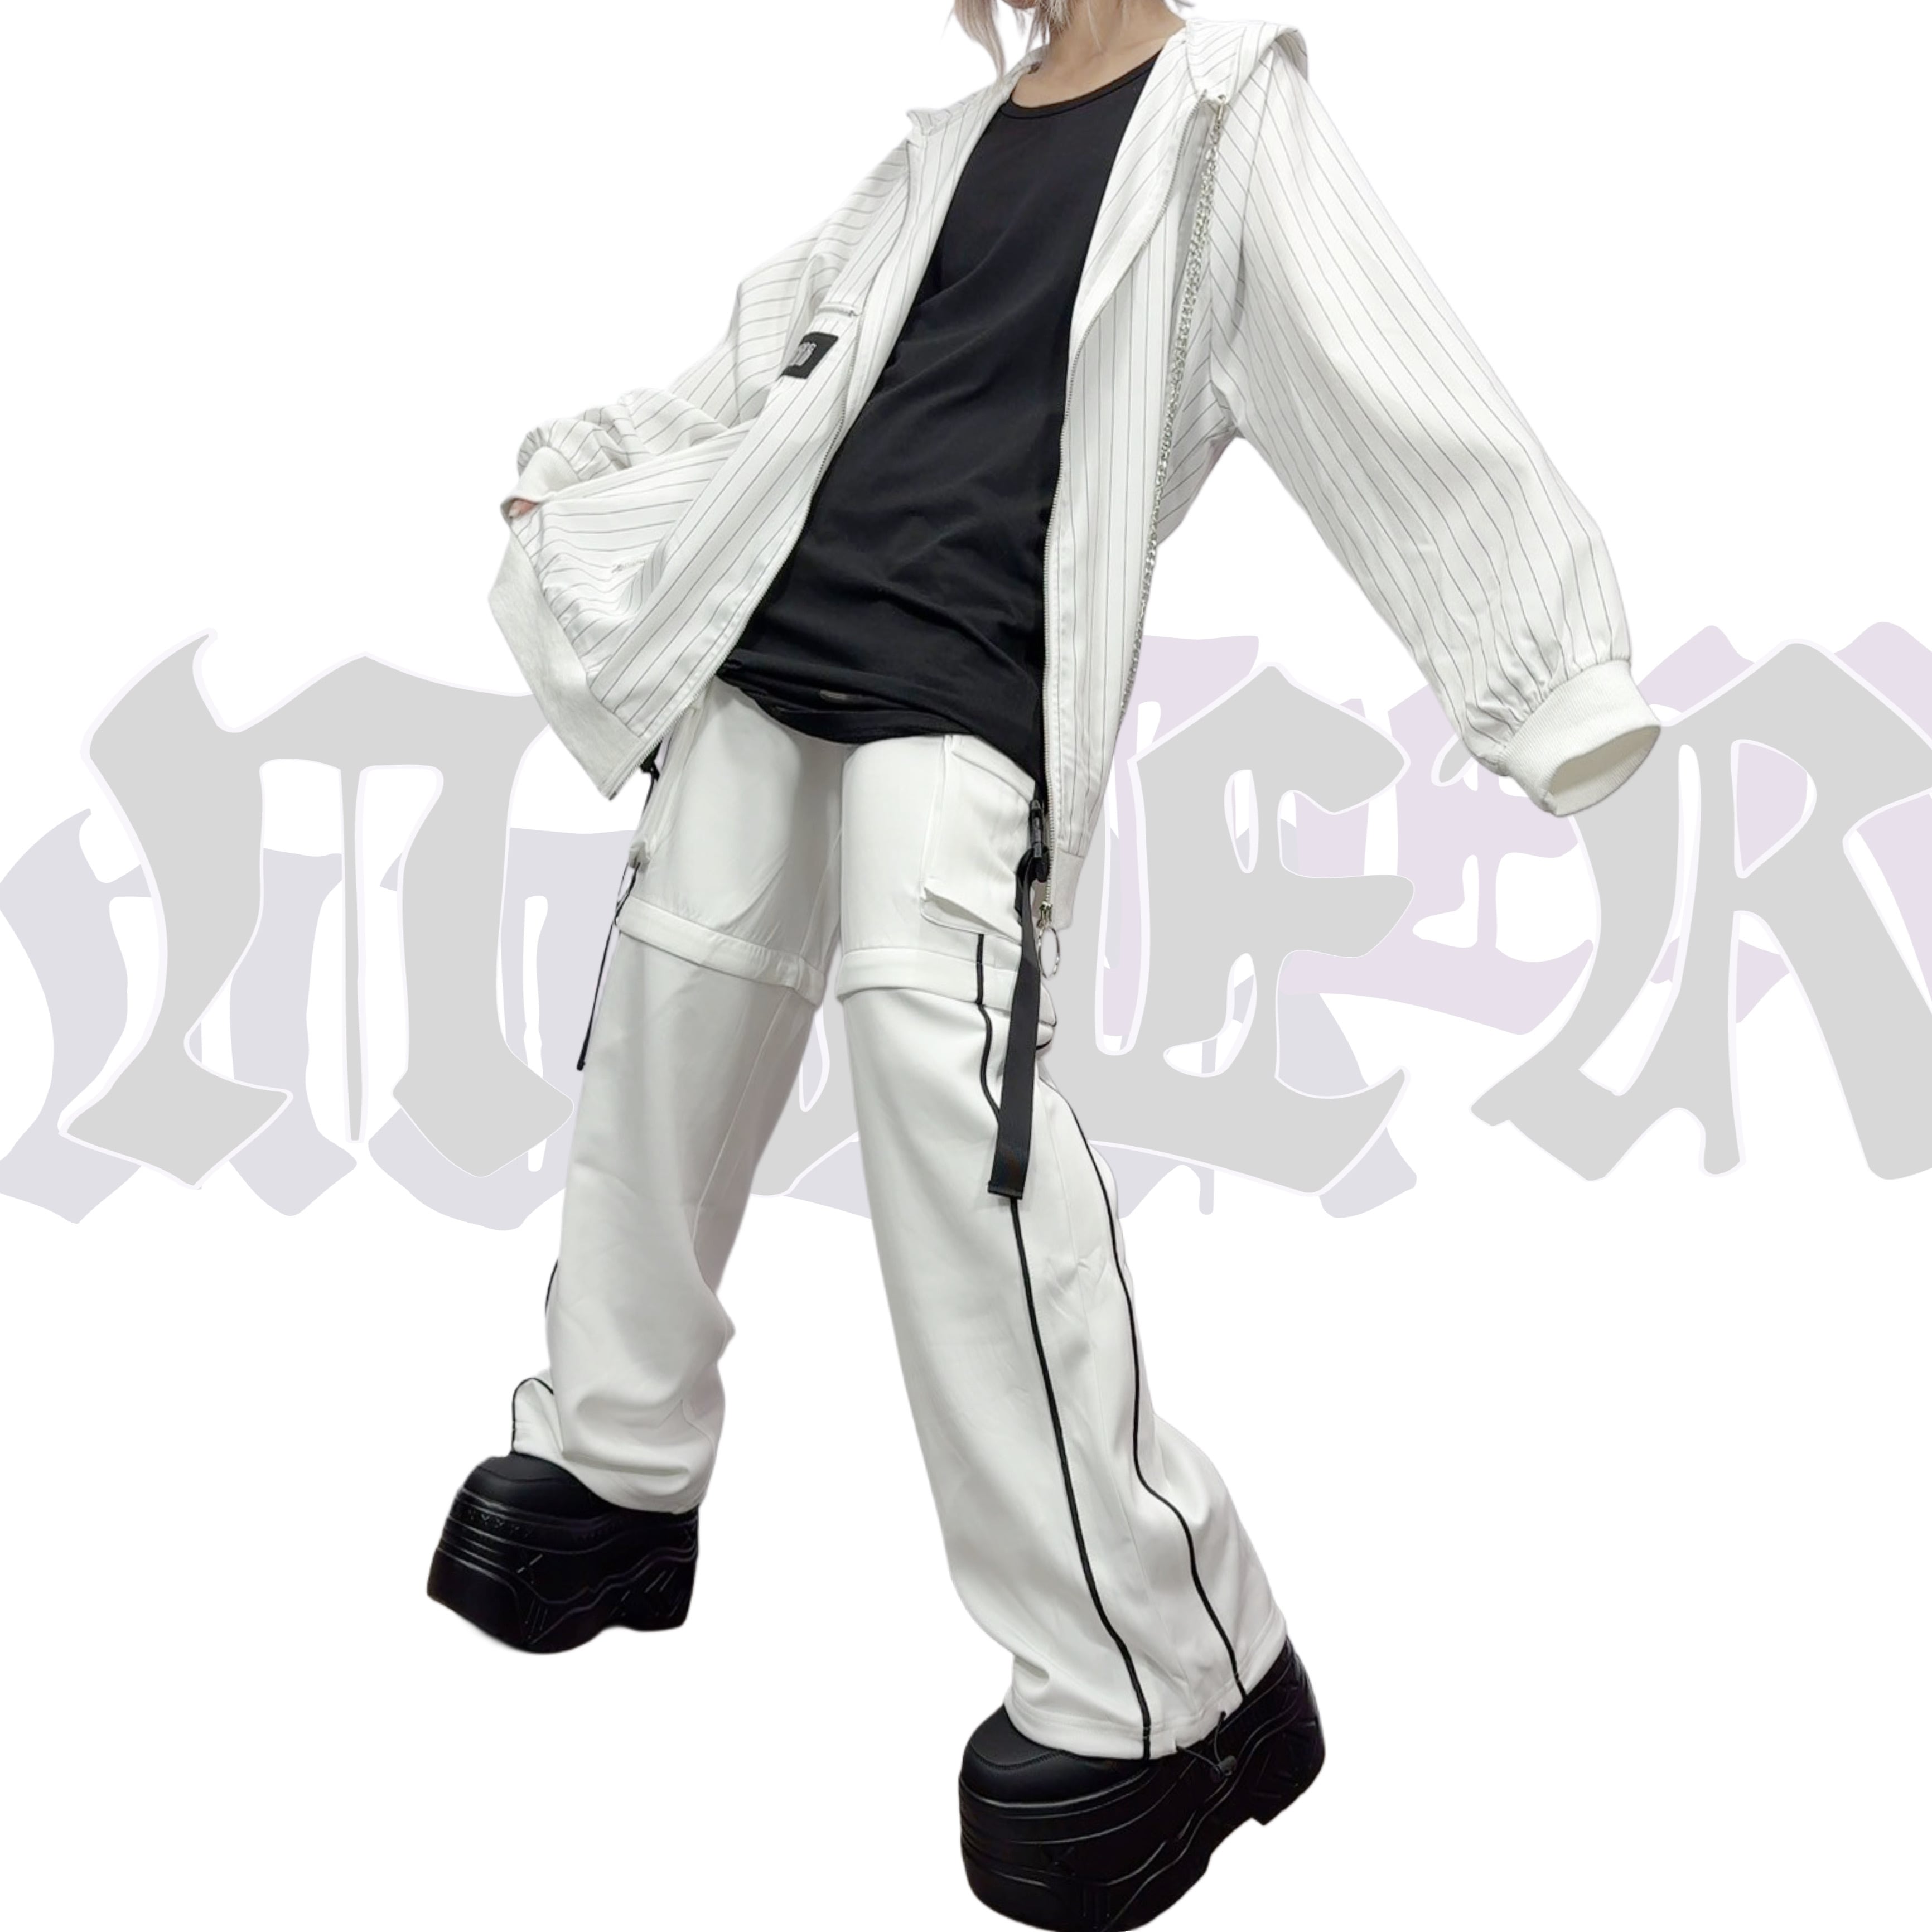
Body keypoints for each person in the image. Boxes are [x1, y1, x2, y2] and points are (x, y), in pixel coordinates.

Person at [429, 4, 1662, 1925]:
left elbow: (1395, 387)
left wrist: (1550, 676)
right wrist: (578, 471)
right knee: (667, 1021)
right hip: (765, 647)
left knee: (951, 1117)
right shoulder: (937, 149)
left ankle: (1171, 1673)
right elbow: (756, 367)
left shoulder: (1224, 122)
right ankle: (612, 1466)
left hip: (967, 680)